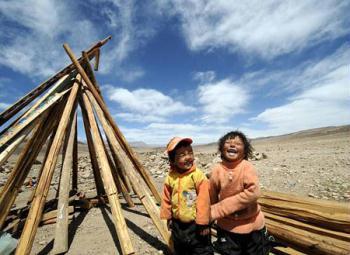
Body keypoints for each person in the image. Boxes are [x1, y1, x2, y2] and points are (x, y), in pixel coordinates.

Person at [209, 131, 272, 255]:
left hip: (253, 226)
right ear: (221, 149)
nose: (232, 145)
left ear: (244, 151)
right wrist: (209, 214)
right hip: (227, 228)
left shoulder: (247, 167)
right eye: (228, 142)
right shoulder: (217, 169)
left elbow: (253, 192)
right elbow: (212, 195)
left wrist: (219, 209)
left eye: (238, 143)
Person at [160, 137, 213, 255]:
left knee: (201, 249)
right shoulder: (170, 177)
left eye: (190, 152)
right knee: (181, 248)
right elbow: (166, 198)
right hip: (177, 224)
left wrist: (204, 223)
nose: (188, 157)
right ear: (172, 160)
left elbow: (204, 201)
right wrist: (168, 217)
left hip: (196, 224)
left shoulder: (198, 176)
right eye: (182, 155)